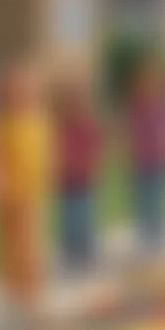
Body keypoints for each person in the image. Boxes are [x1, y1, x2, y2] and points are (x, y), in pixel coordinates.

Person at [0, 60, 52, 324]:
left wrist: (45, 180)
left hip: (32, 193)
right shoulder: (2, 124)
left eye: (26, 89)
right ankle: (14, 291)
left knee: (32, 244)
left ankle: (33, 292)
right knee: (10, 245)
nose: (21, 94)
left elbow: (45, 155)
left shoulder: (39, 120)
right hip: (7, 195)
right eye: (15, 90)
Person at [54, 72, 102, 272]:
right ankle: (71, 253)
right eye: (73, 101)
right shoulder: (62, 126)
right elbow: (56, 151)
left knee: (84, 216)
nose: (77, 105)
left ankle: (86, 252)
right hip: (67, 180)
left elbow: (96, 149)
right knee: (69, 217)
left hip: (84, 178)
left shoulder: (89, 124)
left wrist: (91, 165)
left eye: (81, 101)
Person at [127, 59, 165, 254]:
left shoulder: (163, 107)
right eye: (145, 85)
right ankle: (146, 236)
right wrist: (130, 153)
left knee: (156, 199)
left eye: (153, 85)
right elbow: (131, 133)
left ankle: (157, 236)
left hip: (157, 161)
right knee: (142, 200)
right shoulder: (137, 109)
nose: (148, 89)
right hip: (141, 162)